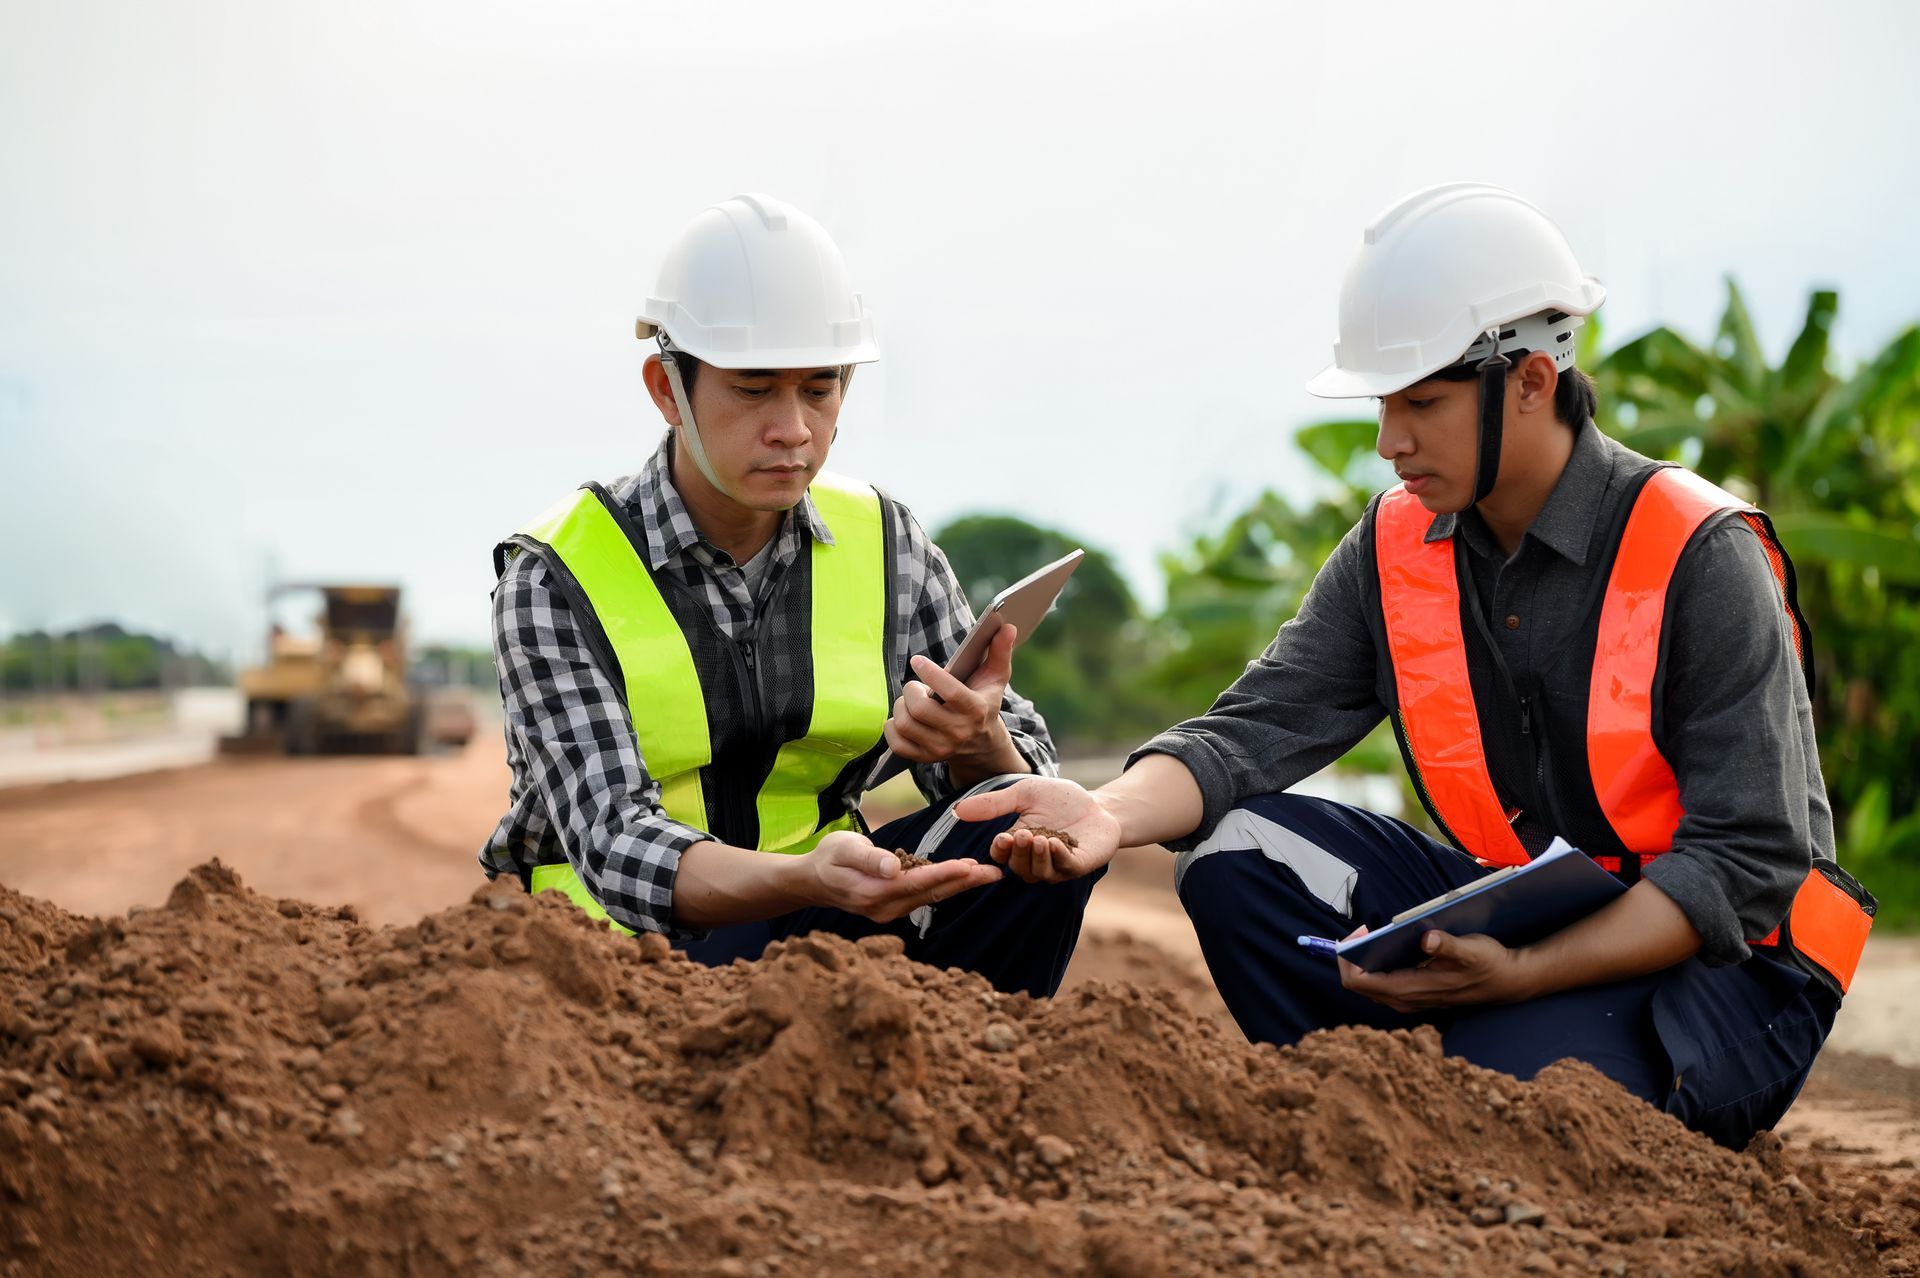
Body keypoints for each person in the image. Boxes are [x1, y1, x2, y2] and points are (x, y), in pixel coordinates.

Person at [956, 182, 1875, 1145]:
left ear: (1529, 380)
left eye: (1423, 403)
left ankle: (1466, 1073)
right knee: (1233, 859)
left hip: (1727, 969)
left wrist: (1522, 975)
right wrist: (1104, 815)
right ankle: (1382, 1105)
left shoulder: (1699, 551)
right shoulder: (1398, 545)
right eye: (1385, 404)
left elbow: (1741, 866)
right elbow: (1252, 732)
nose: (1392, 441)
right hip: (1536, 915)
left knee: (1501, 1106)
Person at [479, 193, 1098, 996]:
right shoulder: (556, 574)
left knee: (1034, 830)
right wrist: (807, 876)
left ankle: (981, 1080)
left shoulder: (888, 544)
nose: (793, 428)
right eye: (753, 389)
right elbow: (614, 845)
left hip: (826, 915)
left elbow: (1022, 779)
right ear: (667, 391)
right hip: (616, 957)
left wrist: (977, 741)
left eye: (819, 388)